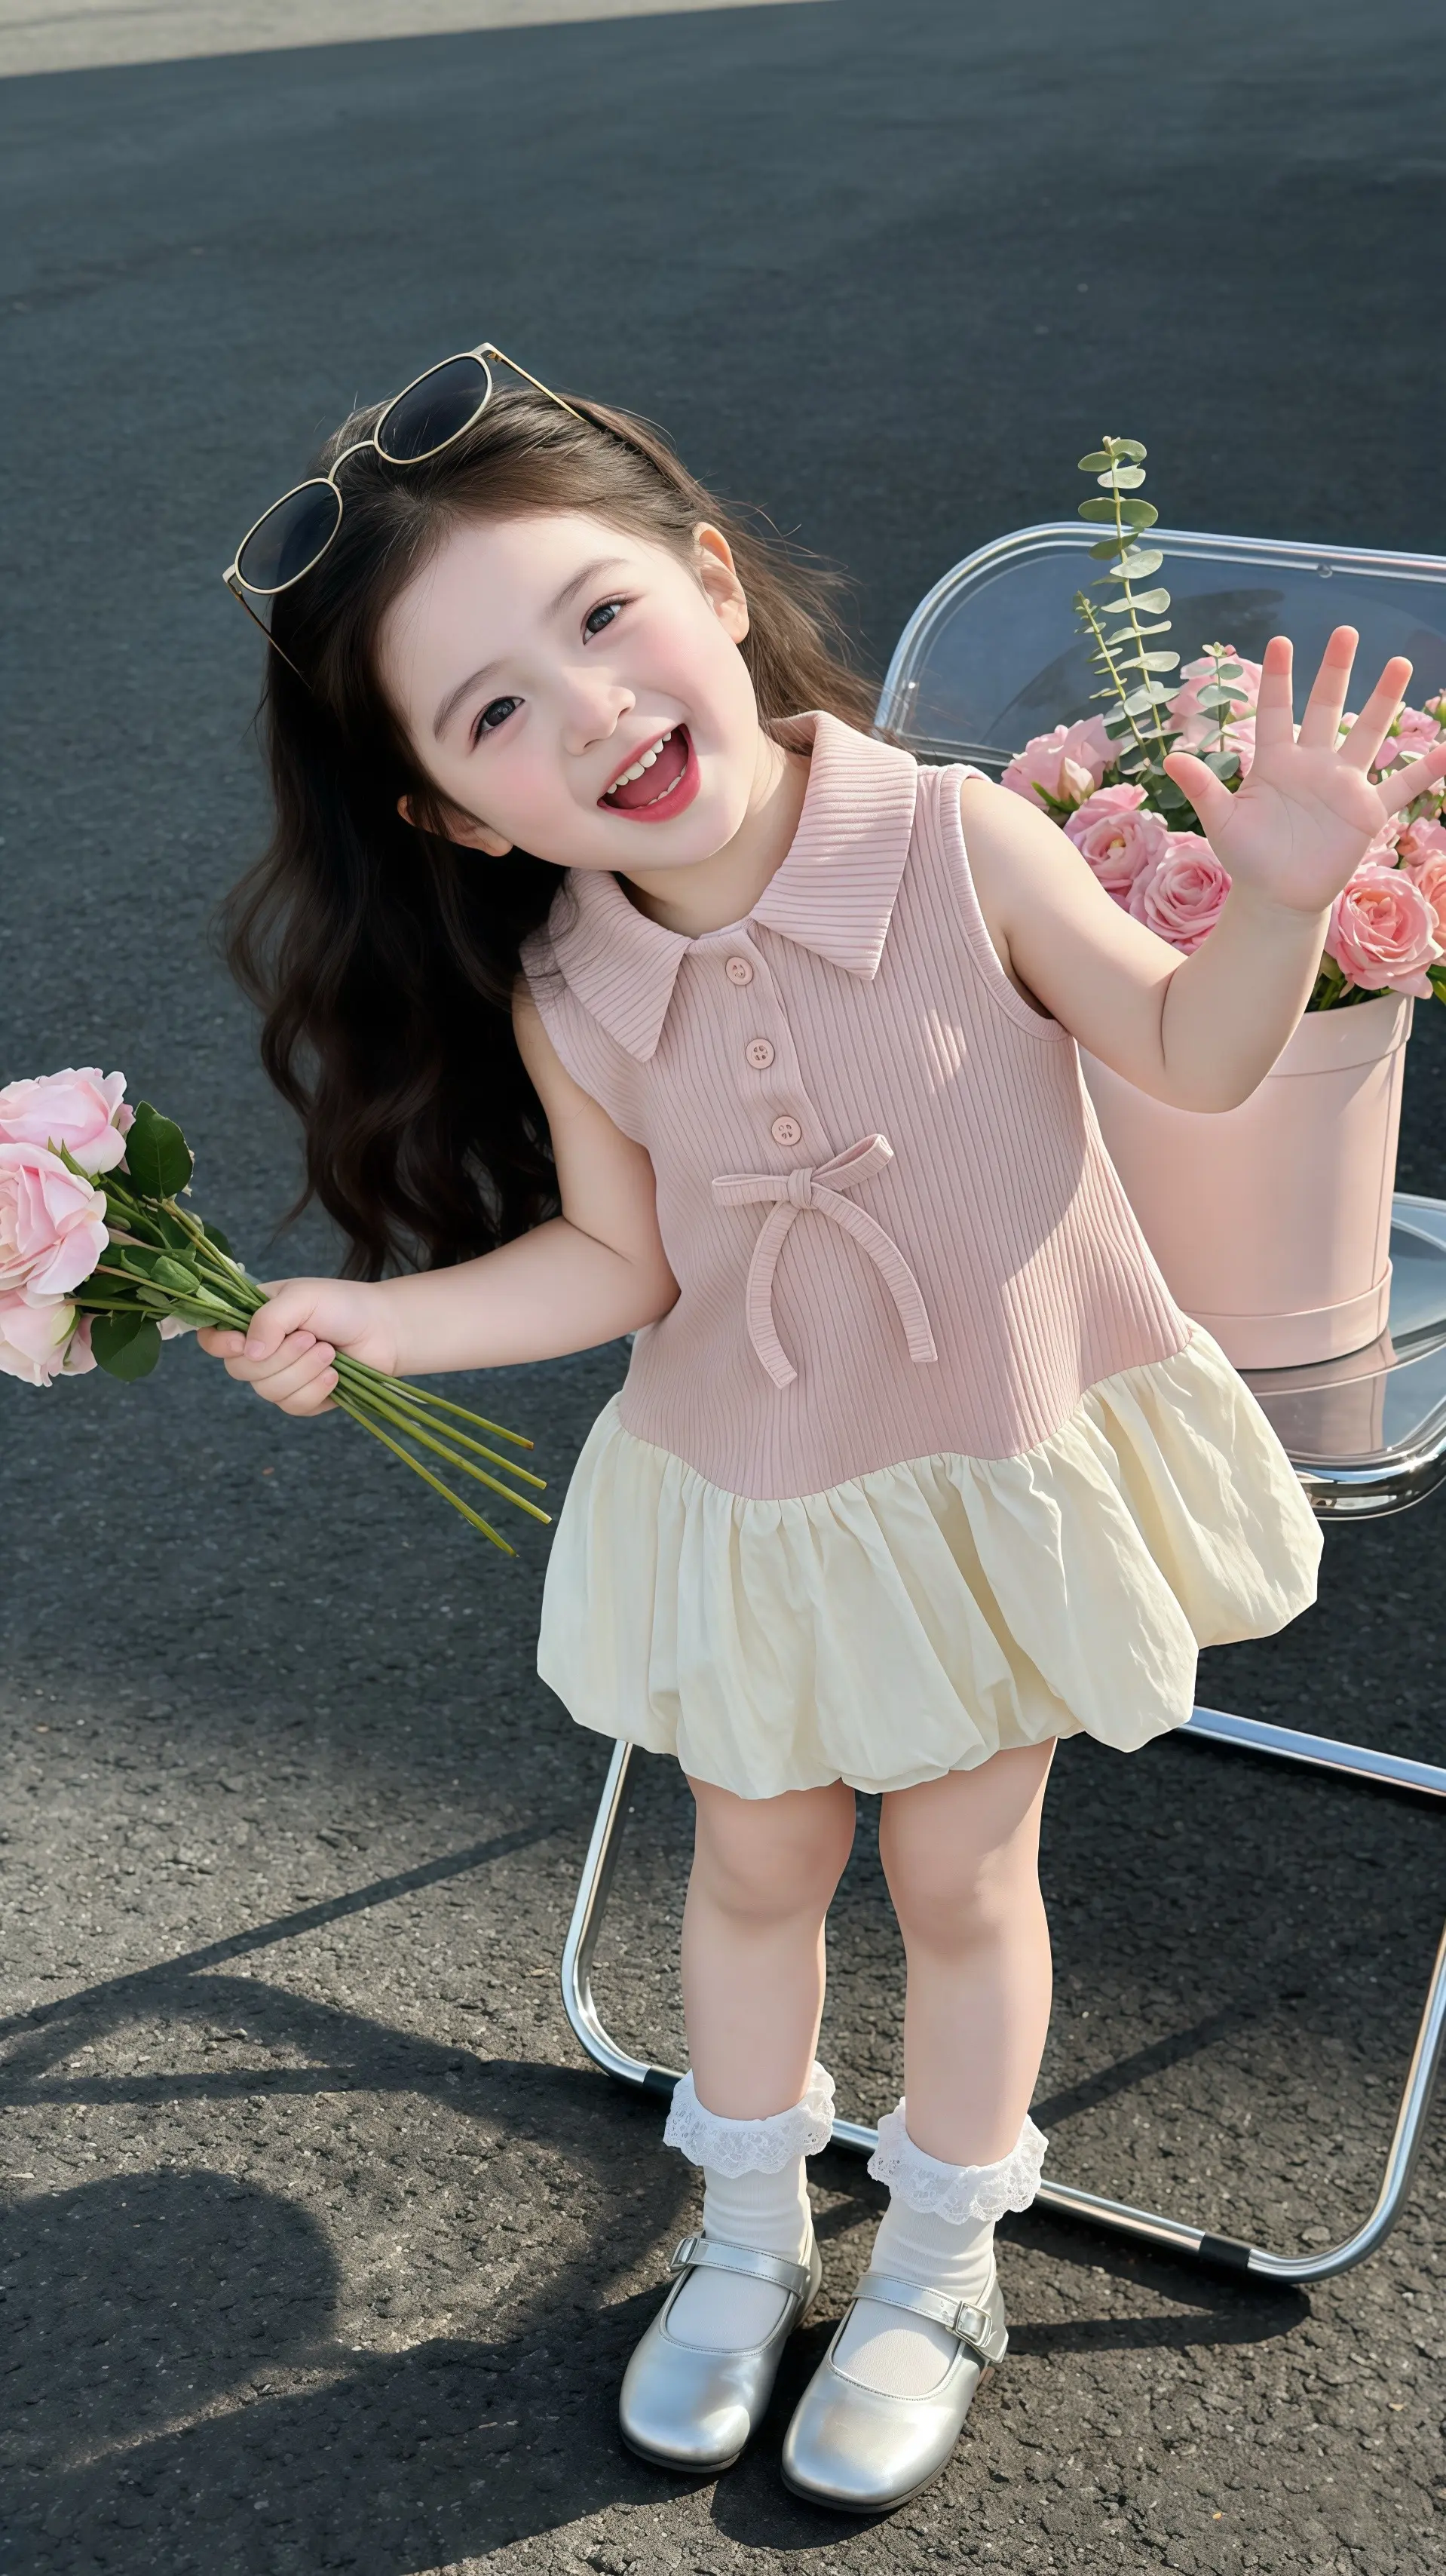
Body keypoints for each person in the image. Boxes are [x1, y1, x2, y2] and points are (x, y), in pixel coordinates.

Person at [201, 343, 1444, 2513]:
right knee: (756, 1862)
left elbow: (1188, 1055)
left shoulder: (954, 839)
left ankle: (941, 2261)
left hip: (984, 1465)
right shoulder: (570, 983)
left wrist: (1275, 898)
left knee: (961, 1875)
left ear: (708, 580)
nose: (590, 710)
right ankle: (751, 2231)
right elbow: (618, 1262)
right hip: (758, 1490)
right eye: (493, 711)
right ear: (458, 817)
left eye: (601, 616)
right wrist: (380, 1322)